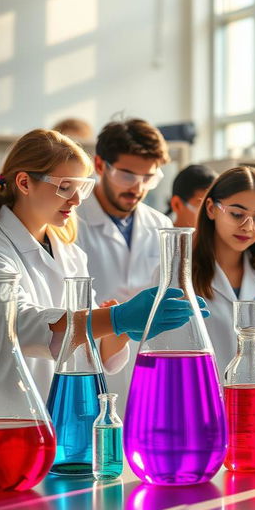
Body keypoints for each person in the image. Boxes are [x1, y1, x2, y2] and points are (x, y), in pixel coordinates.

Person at [0, 129, 194, 397]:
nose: (78, 199)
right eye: (65, 187)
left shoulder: (70, 254)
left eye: (82, 187)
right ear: (24, 183)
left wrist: (125, 327)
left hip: (64, 409)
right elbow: (19, 326)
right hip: (9, 412)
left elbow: (92, 344)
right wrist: (115, 318)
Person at [75, 118, 174, 405]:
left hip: (145, 377)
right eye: (127, 175)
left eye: (149, 178)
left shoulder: (160, 225)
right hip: (87, 373)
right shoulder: (71, 220)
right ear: (100, 165)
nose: (138, 187)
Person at [192, 166, 255, 418]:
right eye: (236, 214)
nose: (247, 226)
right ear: (211, 208)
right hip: (202, 409)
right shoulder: (180, 276)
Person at [169, 164, 217, 228]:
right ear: (177, 205)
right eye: (203, 206)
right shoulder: (159, 237)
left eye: (216, 206)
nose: (212, 214)